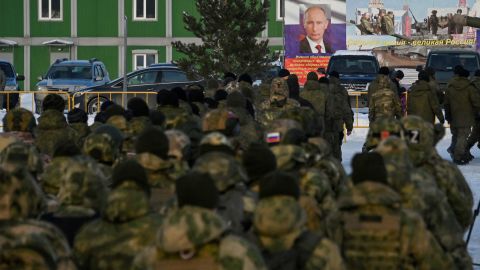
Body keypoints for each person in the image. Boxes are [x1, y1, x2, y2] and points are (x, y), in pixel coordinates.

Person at [444, 66, 480, 164]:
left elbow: (446, 103)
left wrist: (447, 115)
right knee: (462, 137)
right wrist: (477, 112)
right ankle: (458, 156)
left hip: (453, 114)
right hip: (466, 115)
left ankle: (455, 150)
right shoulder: (469, 87)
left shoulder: (450, 86)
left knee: (456, 135)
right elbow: (476, 102)